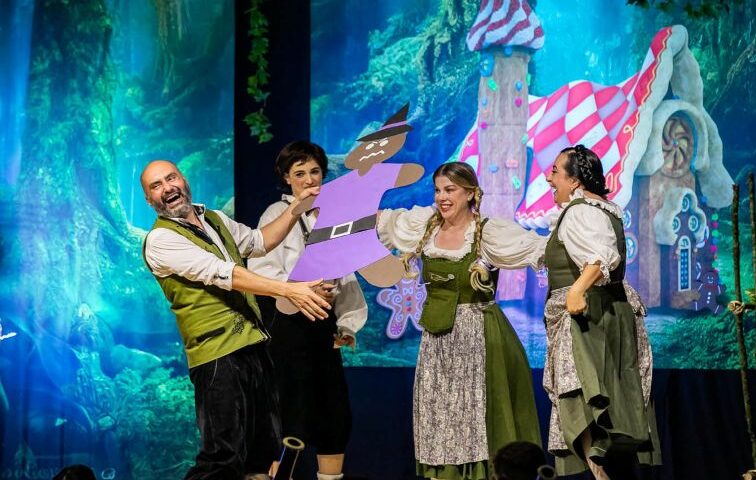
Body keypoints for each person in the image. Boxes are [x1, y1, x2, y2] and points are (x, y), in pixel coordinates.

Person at [140, 160, 333, 480]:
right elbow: (223, 273)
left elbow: (259, 242)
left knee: (261, 455)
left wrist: (296, 207)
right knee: (222, 457)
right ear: (150, 200)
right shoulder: (161, 240)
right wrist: (287, 290)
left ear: (183, 180)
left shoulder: (214, 219)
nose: (167, 187)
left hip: (253, 347)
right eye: (156, 186)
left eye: (170, 178)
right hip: (217, 356)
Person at [377, 162, 543, 480]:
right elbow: (383, 223)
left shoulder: (488, 232)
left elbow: (537, 248)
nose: (442, 197)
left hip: (479, 333)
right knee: (441, 411)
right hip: (438, 339)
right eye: (438, 190)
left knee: (478, 410)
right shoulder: (425, 227)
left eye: (450, 190)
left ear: (469, 193)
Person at [249, 141, 368, 480]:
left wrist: (347, 325)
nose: (309, 179)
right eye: (299, 173)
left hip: (323, 330)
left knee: (333, 417)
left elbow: (346, 276)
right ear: (287, 178)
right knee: (291, 417)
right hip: (288, 330)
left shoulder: (333, 217)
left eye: (314, 171)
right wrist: (300, 288)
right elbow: (262, 270)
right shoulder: (276, 214)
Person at [542, 144, 659, 479]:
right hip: (606, 313)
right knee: (596, 397)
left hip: (588, 319)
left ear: (575, 181)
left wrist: (577, 290)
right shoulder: (601, 210)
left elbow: (599, 258)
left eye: (555, 171)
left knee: (580, 396)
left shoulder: (581, 211)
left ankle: (602, 475)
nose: (549, 178)